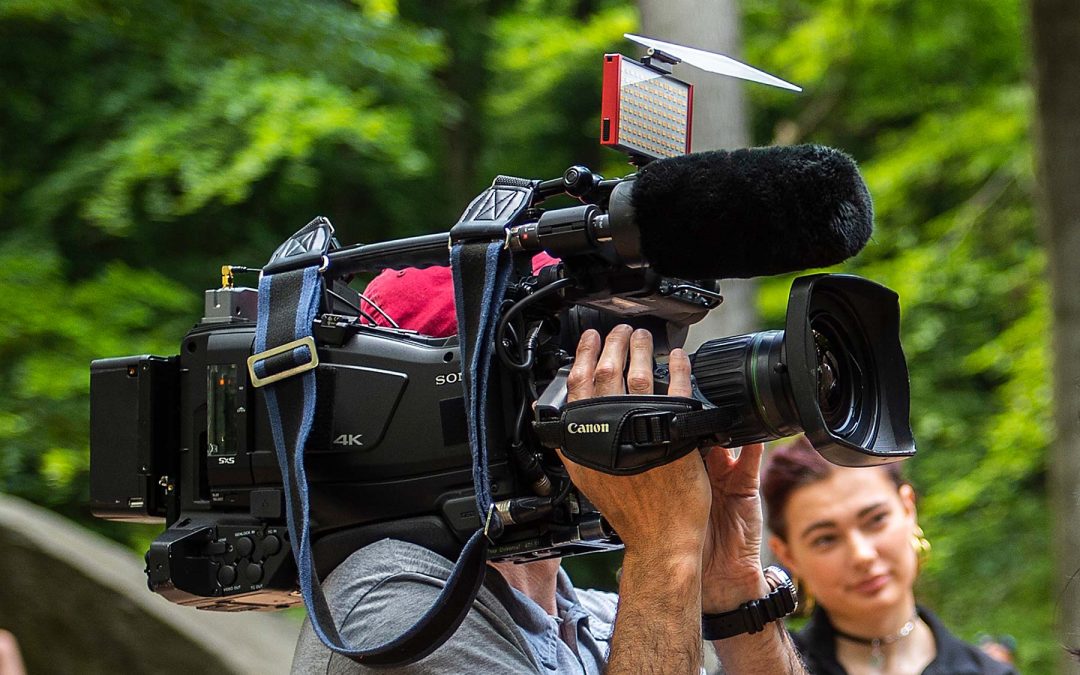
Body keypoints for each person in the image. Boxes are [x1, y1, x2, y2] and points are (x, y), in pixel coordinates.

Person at [292, 265, 807, 674]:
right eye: (576, 376)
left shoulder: (598, 621)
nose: (621, 397)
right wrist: (664, 549)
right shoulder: (391, 616)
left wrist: (735, 597)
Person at [762, 435, 1017, 675]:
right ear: (788, 555)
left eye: (876, 520)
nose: (862, 555)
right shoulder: (760, 666)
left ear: (908, 508)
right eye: (825, 539)